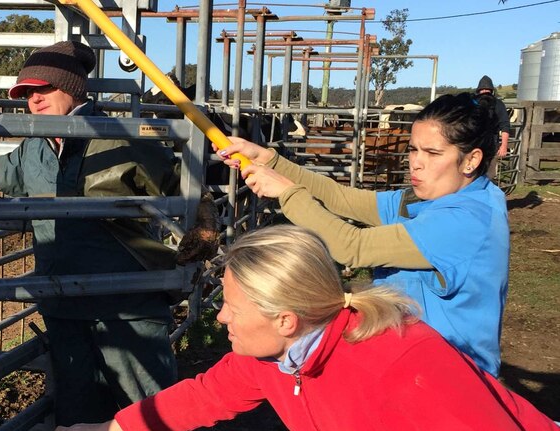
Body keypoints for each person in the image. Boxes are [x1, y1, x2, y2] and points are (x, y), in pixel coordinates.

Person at [55, 225, 560, 431]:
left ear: (285, 320)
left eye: (229, 307)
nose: (220, 319)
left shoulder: (405, 366)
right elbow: (203, 397)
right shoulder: (273, 360)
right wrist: (107, 430)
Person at [0, 40, 217, 431]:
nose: (33, 98)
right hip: (62, 302)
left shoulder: (122, 136)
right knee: (78, 418)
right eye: (26, 92)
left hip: (126, 301)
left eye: (43, 88)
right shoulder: (32, 148)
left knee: (154, 413)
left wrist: (203, 215)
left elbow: (183, 183)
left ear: (71, 88)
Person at [213, 93, 509, 379]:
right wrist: (270, 160)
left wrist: (288, 193)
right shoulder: (431, 198)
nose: (416, 162)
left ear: (471, 160)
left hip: (453, 375)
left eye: (432, 153)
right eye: (413, 149)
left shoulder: (467, 220)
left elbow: (352, 247)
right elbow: (344, 199)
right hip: (414, 362)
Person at [476, 75, 512, 160]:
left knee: (489, 170)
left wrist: (504, 146)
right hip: (474, 144)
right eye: (482, 89)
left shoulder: (498, 104)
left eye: (487, 89)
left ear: (491, 91)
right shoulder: (473, 103)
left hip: (491, 145)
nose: (484, 91)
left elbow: (505, 125)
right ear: (478, 91)